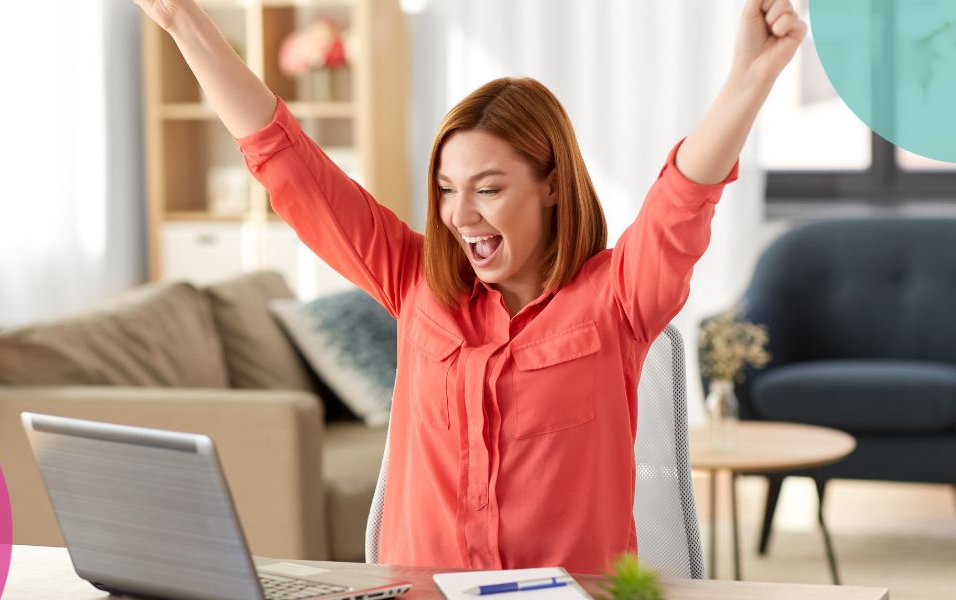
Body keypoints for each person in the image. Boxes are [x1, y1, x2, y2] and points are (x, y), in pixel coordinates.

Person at [134, 0, 806, 575]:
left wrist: (751, 77)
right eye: (448, 192)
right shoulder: (415, 283)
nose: (461, 215)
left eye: (488, 189)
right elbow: (287, 165)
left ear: (550, 186)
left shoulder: (618, 300)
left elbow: (682, 197)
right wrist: (184, 21)